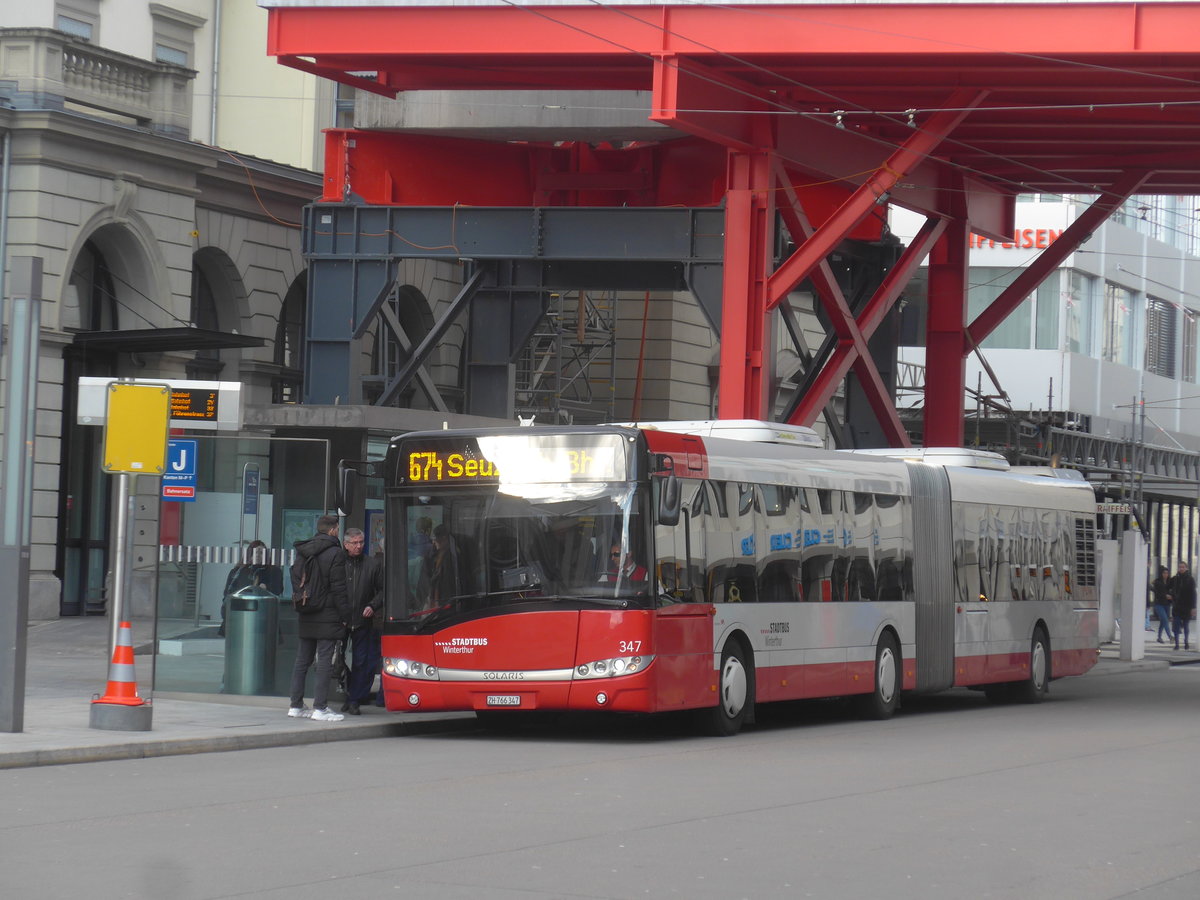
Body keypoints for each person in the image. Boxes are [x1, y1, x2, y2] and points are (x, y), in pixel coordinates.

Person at [288, 515, 350, 721]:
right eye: (337, 529)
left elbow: (296, 578)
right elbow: (339, 588)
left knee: (302, 660)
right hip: (329, 612)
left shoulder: (303, 551)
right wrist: (345, 615)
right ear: (333, 530)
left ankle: (295, 705)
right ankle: (320, 708)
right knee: (325, 661)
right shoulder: (335, 553)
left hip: (306, 609)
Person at [341, 527, 385, 715]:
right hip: (341, 620)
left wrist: (373, 605)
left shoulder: (372, 564)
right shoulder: (338, 563)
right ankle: (347, 691)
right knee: (338, 660)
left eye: (361, 542)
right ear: (346, 544)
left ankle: (354, 699)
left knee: (361, 661)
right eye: (354, 543)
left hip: (363, 619)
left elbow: (383, 590)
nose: (358, 546)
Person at [218, 540, 284, 636]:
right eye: (255, 552)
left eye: (261, 553)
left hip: (263, 618)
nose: (258, 555)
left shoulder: (273, 571)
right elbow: (228, 594)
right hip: (239, 617)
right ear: (249, 554)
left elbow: (278, 589)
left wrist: (266, 587)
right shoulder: (238, 571)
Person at [419, 523, 460, 605]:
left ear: (444, 539)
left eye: (435, 539)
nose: (433, 542)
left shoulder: (453, 556)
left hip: (446, 599)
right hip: (434, 598)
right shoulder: (433, 555)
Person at [1168, 561, 1196, 651]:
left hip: (1187, 606)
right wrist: (1169, 595)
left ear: (1186, 568)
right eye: (1180, 567)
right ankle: (1176, 644)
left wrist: (1193, 607)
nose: (1181, 568)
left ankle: (1186, 642)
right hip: (1177, 606)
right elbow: (1167, 587)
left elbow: (1193, 593)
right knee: (1176, 625)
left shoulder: (1190, 579)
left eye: (1183, 567)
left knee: (1186, 625)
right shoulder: (1175, 579)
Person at [1150, 566, 1174, 644]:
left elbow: (1173, 590)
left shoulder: (1170, 582)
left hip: (1167, 604)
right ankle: (1170, 636)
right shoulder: (1157, 582)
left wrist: (1171, 596)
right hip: (1159, 604)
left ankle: (1159, 637)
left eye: (1167, 573)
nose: (1165, 574)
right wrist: (1165, 596)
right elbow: (1157, 592)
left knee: (1163, 621)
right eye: (1164, 573)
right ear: (1161, 573)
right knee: (1165, 620)